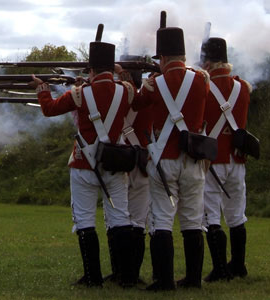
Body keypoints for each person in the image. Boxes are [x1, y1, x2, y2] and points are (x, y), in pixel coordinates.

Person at [29, 37, 138, 288]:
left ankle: (92, 277)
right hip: (116, 162)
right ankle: (127, 276)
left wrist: (42, 88)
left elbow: (49, 109)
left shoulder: (79, 94)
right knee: (121, 218)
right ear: (112, 68)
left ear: (91, 69)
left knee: (85, 220)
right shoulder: (126, 90)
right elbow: (135, 97)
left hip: (84, 164)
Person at [132, 26, 210, 290]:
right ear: (183, 55)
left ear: (162, 57)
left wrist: (146, 83)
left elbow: (137, 104)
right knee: (192, 219)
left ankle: (164, 280)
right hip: (194, 159)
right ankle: (193, 279)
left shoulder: (154, 85)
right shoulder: (202, 79)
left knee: (162, 219)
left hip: (164, 157)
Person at [200, 37, 252, 282]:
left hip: (213, 158)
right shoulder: (243, 87)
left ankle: (220, 269)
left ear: (207, 62)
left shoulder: (204, 86)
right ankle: (239, 265)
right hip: (236, 158)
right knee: (236, 215)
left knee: (211, 215)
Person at [103, 55, 153, 286]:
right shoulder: (148, 97)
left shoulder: (113, 96)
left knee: (115, 219)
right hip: (143, 161)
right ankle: (132, 275)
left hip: (119, 160)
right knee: (138, 222)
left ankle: (119, 272)